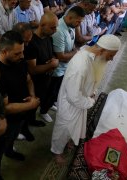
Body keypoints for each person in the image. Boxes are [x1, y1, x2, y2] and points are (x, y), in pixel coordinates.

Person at [51, 34, 121, 164]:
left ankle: (69, 142)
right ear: (102, 50)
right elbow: (73, 97)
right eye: (111, 55)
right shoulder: (80, 65)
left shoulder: (92, 55)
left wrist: (92, 92)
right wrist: (91, 101)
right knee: (63, 130)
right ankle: (57, 151)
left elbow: (92, 77)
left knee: (76, 126)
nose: (111, 59)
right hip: (71, 104)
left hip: (82, 100)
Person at [0, 30, 40, 179]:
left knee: (12, 138)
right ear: (4, 51)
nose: (22, 56)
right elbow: (5, 108)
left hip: (21, 114)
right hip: (5, 121)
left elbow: (28, 79)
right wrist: (31, 105)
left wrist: (32, 96)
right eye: (17, 53)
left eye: (22, 52)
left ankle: (10, 151)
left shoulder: (18, 60)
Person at [49, 6, 85, 122]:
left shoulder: (71, 26)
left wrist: (74, 50)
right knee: (51, 90)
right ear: (69, 17)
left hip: (65, 67)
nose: (79, 24)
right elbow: (61, 56)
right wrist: (75, 52)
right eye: (78, 21)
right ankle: (44, 109)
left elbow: (72, 43)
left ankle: (52, 102)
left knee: (57, 90)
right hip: (57, 69)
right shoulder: (59, 30)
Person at [24, 12, 59, 125]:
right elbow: (32, 69)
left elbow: (51, 55)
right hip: (34, 83)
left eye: (56, 27)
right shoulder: (32, 42)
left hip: (45, 80)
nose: (56, 30)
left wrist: (52, 60)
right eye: (52, 27)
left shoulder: (49, 38)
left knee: (37, 104)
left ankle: (32, 120)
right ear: (42, 25)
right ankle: (25, 126)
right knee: (29, 107)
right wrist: (51, 65)